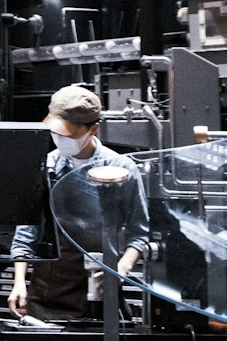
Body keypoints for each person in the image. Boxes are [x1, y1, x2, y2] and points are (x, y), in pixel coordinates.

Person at [8, 84, 150, 322]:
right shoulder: (46, 167)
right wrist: (19, 282)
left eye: (68, 134)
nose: (60, 139)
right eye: (56, 132)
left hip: (98, 288)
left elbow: (139, 235)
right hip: (45, 292)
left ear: (93, 128)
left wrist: (120, 270)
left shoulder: (121, 169)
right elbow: (26, 232)